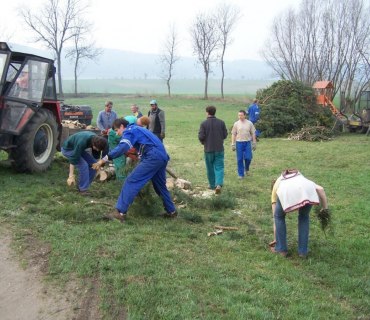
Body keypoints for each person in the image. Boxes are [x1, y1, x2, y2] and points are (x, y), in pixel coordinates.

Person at [93, 118, 177, 223]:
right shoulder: (137, 129)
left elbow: (122, 147)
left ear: (122, 127)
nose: (117, 133)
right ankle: (171, 211)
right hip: (162, 156)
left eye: (117, 130)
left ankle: (119, 213)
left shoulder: (129, 131)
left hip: (153, 157)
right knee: (160, 186)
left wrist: (104, 159)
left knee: (131, 181)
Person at [270, 169, 329, 257]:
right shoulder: (304, 180)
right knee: (304, 217)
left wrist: (276, 239)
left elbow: (276, 218)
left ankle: (281, 250)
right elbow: (321, 189)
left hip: (286, 191)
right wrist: (325, 209)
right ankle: (303, 252)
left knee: (279, 217)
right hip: (307, 192)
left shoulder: (277, 187)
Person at [61, 131, 107, 195]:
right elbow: (73, 159)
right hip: (68, 149)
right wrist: (70, 175)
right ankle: (83, 190)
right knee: (83, 165)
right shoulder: (82, 142)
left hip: (78, 149)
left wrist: (99, 168)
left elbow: (96, 158)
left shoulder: (96, 140)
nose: (97, 150)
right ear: (93, 144)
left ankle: (83, 185)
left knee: (93, 164)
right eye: (96, 148)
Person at [107, 116, 151, 181]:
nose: (142, 126)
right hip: (115, 137)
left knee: (126, 155)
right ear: (141, 123)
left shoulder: (135, 122)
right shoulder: (131, 124)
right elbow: (126, 142)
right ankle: (121, 181)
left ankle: (125, 176)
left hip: (119, 133)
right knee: (119, 158)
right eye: (142, 125)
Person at [198, 105, 228, 194]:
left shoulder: (203, 123)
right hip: (219, 149)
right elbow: (225, 135)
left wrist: (203, 142)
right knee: (219, 167)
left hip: (208, 149)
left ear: (207, 113)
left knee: (210, 167)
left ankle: (212, 185)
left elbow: (201, 136)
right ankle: (218, 184)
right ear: (214, 112)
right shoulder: (221, 122)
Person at [231, 110, 257, 179]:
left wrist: (254, 143)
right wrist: (233, 144)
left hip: (247, 142)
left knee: (248, 158)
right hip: (239, 142)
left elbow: (253, 133)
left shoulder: (249, 123)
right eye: (239, 115)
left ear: (245, 115)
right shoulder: (236, 124)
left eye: (241, 115)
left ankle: (247, 168)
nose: (240, 117)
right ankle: (241, 174)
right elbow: (233, 134)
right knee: (239, 159)